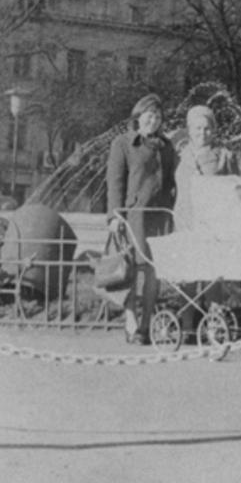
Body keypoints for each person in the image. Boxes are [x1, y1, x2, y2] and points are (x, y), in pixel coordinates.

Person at [106, 93, 177, 344]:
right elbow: (114, 183)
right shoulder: (123, 144)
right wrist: (114, 216)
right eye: (149, 115)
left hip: (159, 217)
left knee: (153, 272)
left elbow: (171, 181)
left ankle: (147, 322)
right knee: (131, 268)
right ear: (138, 117)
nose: (153, 120)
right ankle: (130, 319)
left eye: (158, 116)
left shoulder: (166, 146)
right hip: (133, 216)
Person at [173, 105, 238, 331]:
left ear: (214, 130)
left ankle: (215, 325)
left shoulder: (223, 156)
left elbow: (234, 189)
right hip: (186, 222)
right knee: (188, 275)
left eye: (208, 128)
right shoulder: (178, 156)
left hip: (214, 225)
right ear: (189, 130)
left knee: (213, 275)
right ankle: (187, 324)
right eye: (198, 128)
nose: (203, 133)